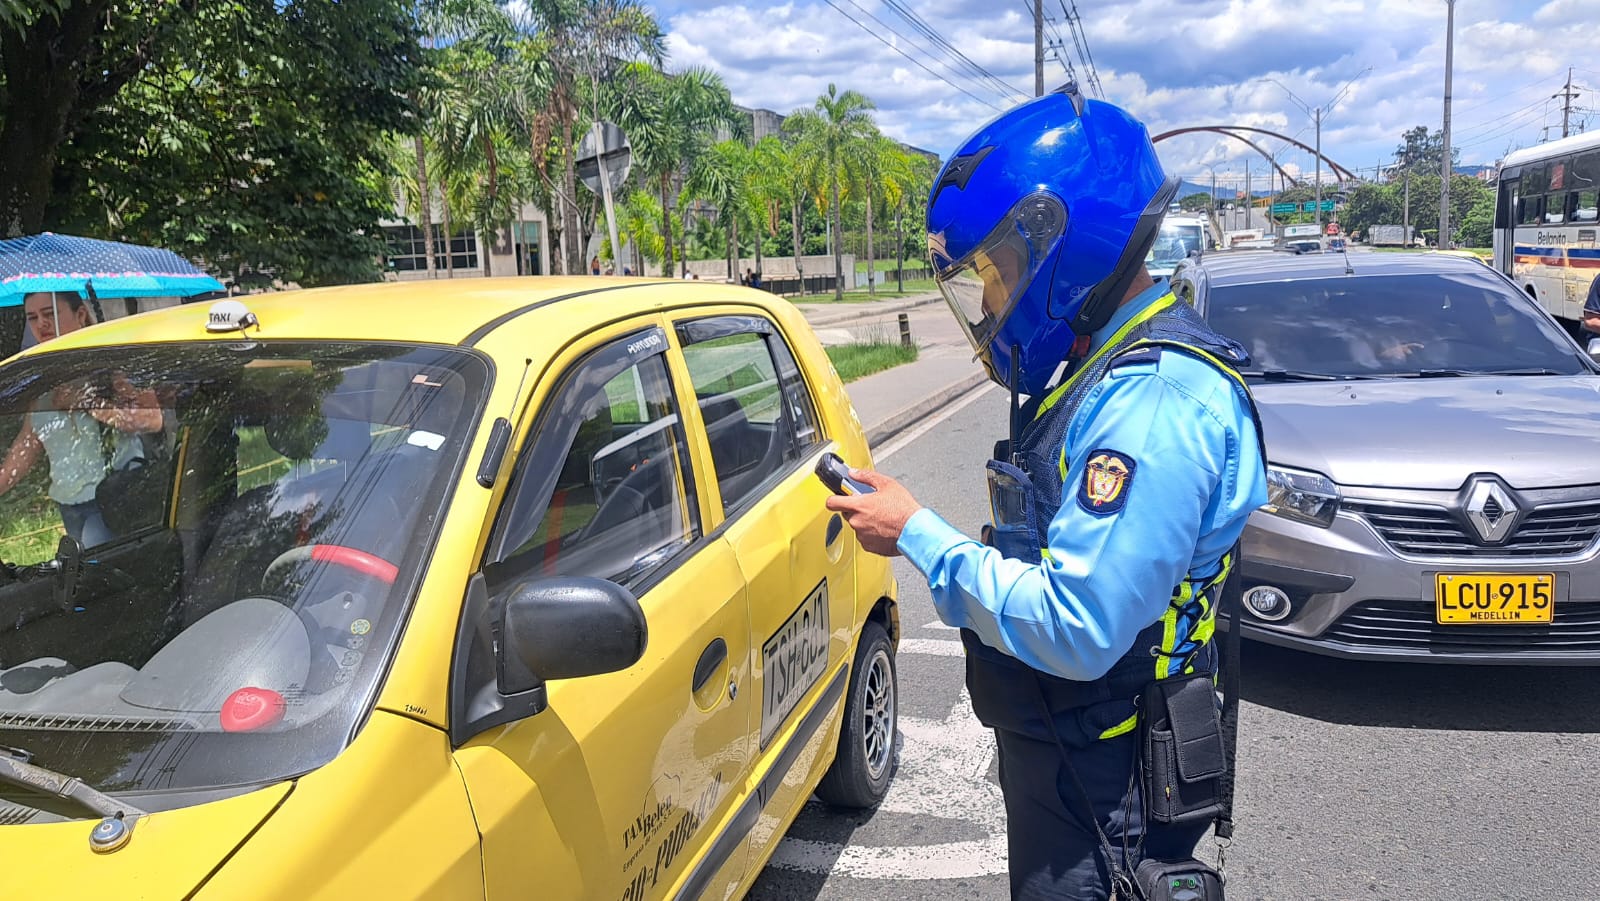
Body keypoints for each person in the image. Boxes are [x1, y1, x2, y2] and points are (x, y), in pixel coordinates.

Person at [826, 87, 1268, 899]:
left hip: (1113, 784)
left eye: (1001, 272)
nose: (993, 302)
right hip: (1080, 754)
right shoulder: (1106, 369)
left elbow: (1079, 623)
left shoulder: (1153, 404)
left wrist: (917, 531)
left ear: (1066, 240)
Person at [0, 291, 162, 548]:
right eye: (32, 317)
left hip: (113, 496)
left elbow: (152, 420)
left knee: (98, 574)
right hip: (68, 503)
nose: (41, 324)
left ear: (81, 315)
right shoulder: (42, 379)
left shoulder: (110, 368)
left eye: (50, 313)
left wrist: (87, 402)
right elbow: (27, 443)